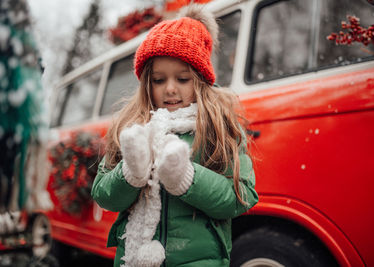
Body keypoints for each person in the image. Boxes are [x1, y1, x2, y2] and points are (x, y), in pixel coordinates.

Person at [91, 4, 258, 267]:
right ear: (147, 82)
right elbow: (103, 194)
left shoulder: (218, 128)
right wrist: (131, 174)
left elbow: (239, 198)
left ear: (201, 80)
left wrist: (186, 178)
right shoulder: (133, 128)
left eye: (182, 79)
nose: (170, 89)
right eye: (159, 80)